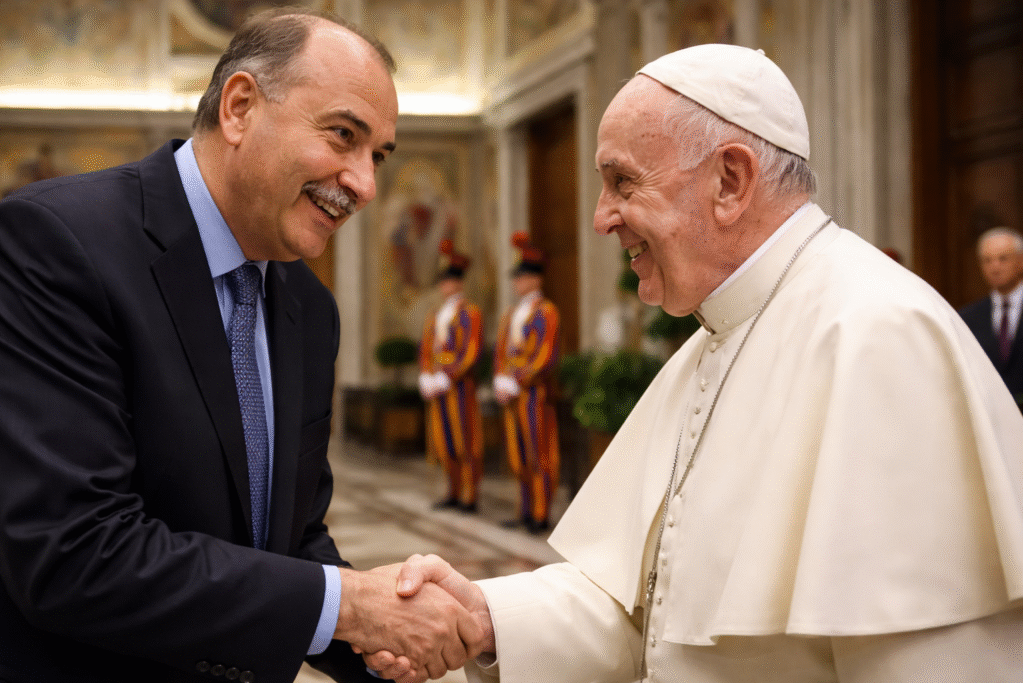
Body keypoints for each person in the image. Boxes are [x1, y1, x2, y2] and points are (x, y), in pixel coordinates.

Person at [365, 43, 1023, 683]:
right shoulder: (715, 335)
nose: (601, 218)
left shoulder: (878, 336)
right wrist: (488, 618)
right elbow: (648, 615)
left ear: (730, 181)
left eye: (623, 181)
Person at [0, 9, 483, 683]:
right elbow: (75, 552)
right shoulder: (59, 245)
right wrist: (349, 607)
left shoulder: (311, 311)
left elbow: (290, 538)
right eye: (343, 135)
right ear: (240, 107)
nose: (365, 184)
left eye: (376, 155)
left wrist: (387, 640)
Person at [492, 232, 561, 533]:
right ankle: (524, 509)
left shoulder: (546, 311)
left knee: (539, 453)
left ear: (535, 279)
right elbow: (501, 351)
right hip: (512, 394)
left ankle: (540, 513)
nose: (516, 283)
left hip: (535, 394)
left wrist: (517, 378)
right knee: (518, 454)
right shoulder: (511, 314)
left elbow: (545, 354)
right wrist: (500, 378)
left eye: (521, 278)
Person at [418, 239, 485, 512]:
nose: (444, 286)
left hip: (459, 387)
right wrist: (426, 375)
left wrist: (450, 374)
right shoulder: (436, 315)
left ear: (458, 282)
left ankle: (470, 494)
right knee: (443, 441)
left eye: (448, 280)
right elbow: (426, 348)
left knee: (465, 439)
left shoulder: (469, 313)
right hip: (438, 385)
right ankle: (452, 490)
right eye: (442, 281)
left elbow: (471, 350)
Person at [958, 227, 1023, 401]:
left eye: (1003, 259)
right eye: (987, 260)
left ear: (1020, 261)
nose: (995, 267)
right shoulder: (967, 317)